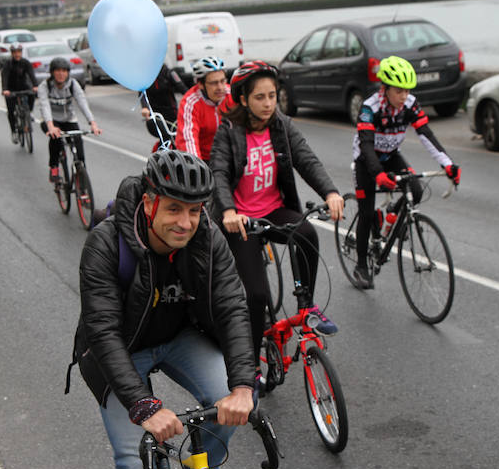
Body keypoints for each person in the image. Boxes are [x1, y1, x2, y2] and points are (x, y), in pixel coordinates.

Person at [74, 149, 255, 469]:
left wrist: (243, 386)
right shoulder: (105, 243)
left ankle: (199, 463)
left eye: (194, 210)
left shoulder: (207, 236)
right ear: (148, 201)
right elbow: (103, 332)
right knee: (135, 467)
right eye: (174, 209)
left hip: (178, 336)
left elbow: (232, 307)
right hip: (120, 349)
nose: (186, 222)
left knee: (232, 394)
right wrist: (144, 406)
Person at [211, 61, 344, 382]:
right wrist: (228, 211)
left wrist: (330, 192)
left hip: (274, 210)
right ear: (243, 99)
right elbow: (218, 174)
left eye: (272, 95)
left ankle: (308, 306)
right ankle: (251, 366)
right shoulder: (228, 131)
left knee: (308, 233)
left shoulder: (281, 126)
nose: (269, 103)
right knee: (256, 296)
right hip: (241, 220)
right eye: (260, 97)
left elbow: (306, 158)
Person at [350, 55, 461, 289]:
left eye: (407, 90)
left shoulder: (410, 104)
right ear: (386, 88)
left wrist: (447, 163)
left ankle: (392, 215)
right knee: (367, 212)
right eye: (399, 91)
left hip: (391, 155)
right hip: (366, 160)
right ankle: (361, 266)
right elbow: (367, 145)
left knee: (416, 191)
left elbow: (426, 134)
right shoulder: (370, 108)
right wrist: (378, 174)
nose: (404, 96)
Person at [38, 57, 102, 182]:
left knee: (78, 142)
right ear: (52, 72)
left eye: (64, 71)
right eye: (58, 71)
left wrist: (93, 123)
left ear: (68, 73)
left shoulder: (73, 84)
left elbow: (82, 103)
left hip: (69, 119)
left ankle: (81, 172)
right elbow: (45, 106)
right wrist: (51, 127)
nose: (61, 74)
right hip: (51, 120)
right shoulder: (45, 86)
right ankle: (54, 167)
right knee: (55, 138)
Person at [175, 56, 228, 162]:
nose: (220, 87)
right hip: (204, 159)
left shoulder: (231, 95)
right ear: (200, 84)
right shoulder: (190, 102)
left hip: (227, 158)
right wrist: (199, 168)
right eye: (214, 83)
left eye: (223, 81)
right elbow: (188, 141)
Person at [139, 63, 187, 150]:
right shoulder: (145, 75)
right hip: (154, 116)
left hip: (171, 114)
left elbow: (182, 88)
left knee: (180, 139)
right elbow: (142, 94)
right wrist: (145, 108)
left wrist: (192, 100)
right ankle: (160, 158)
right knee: (165, 137)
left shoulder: (169, 72)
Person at [0, 42, 38, 143]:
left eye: (19, 52)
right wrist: (5, 89)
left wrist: (35, 86)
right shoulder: (8, 64)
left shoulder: (25, 62)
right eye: (14, 52)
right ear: (11, 53)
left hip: (23, 86)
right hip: (11, 89)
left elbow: (31, 74)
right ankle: (14, 132)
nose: (17, 54)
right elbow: (5, 77)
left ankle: (29, 112)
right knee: (11, 111)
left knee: (32, 95)